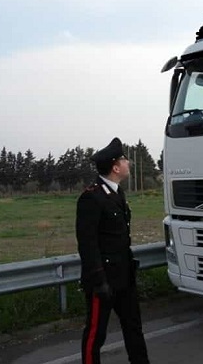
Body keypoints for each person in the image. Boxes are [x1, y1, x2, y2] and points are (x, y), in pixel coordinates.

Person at [76, 137, 150, 364]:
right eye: (124, 160)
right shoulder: (92, 197)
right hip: (104, 280)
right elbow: (87, 244)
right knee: (96, 334)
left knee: (133, 327)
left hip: (124, 276)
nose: (128, 163)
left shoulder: (117, 193)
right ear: (116, 167)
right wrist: (98, 280)